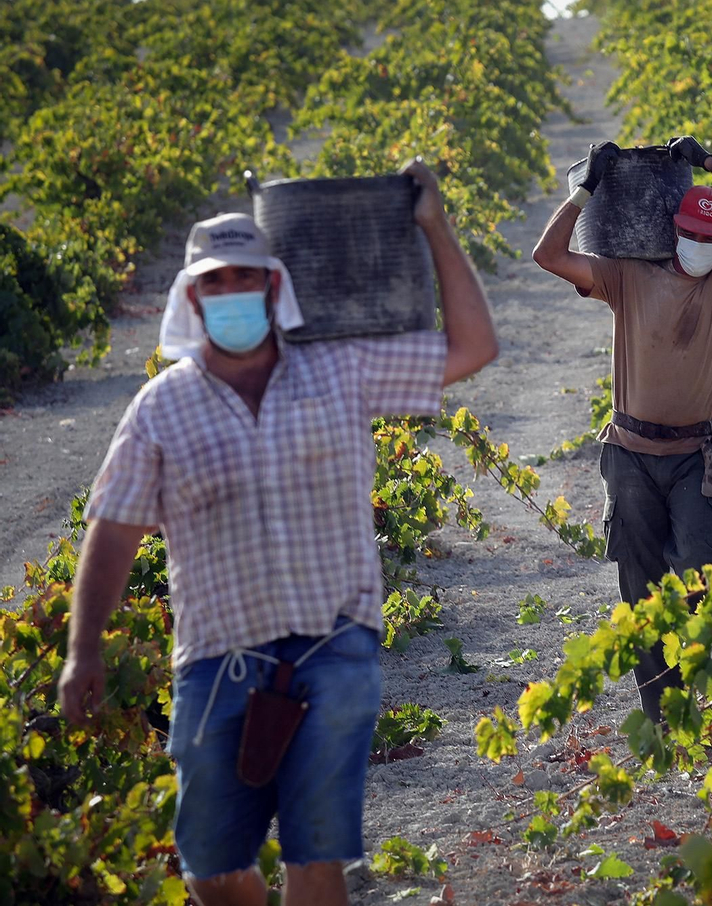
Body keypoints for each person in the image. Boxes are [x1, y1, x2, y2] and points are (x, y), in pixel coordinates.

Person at [56, 159, 497, 906]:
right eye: (214, 282)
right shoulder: (160, 408)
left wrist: (436, 226)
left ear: (273, 286)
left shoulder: (338, 368)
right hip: (215, 658)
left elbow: (473, 348)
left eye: (245, 278)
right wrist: (83, 647)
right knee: (212, 870)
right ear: (192, 298)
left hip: (334, 646)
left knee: (314, 857)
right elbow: (115, 527)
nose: (231, 293)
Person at [532, 135, 712, 723]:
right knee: (640, 594)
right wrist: (585, 190)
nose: (700, 246)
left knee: (703, 572)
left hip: (698, 454)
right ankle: (662, 716)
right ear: (674, 230)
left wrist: (709, 163)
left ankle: (703, 697)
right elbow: (548, 255)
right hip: (632, 456)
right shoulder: (627, 277)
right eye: (691, 234)